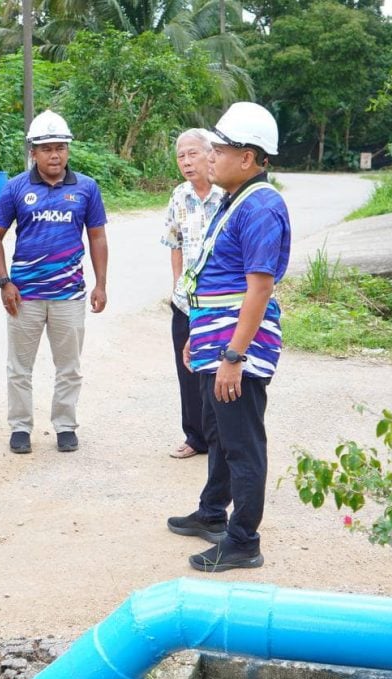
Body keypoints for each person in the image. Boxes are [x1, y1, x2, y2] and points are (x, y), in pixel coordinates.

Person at [165, 102, 291, 572]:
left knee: (242, 442)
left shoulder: (261, 206)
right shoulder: (235, 200)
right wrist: (199, 338)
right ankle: (212, 512)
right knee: (218, 433)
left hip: (237, 348)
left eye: (220, 149)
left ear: (249, 157)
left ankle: (243, 540)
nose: (211, 156)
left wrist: (234, 354)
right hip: (214, 341)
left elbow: (260, 286)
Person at [0, 110, 108, 454]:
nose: (55, 155)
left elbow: (97, 237)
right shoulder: (15, 188)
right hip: (24, 296)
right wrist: (3, 282)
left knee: (69, 367)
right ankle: (21, 428)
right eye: (47, 148)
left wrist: (101, 284)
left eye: (61, 148)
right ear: (33, 152)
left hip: (70, 295)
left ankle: (65, 426)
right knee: (19, 368)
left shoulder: (86, 188)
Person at [162, 130, 222, 460]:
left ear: (210, 154)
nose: (186, 162)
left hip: (219, 301)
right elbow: (175, 245)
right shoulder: (179, 196)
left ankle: (220, 440)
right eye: (181, 156)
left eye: (192, 154)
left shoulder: (227, 195)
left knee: (215, 371)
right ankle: (195, 437)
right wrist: (176, 287)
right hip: (186, 303)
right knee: (187, 371)